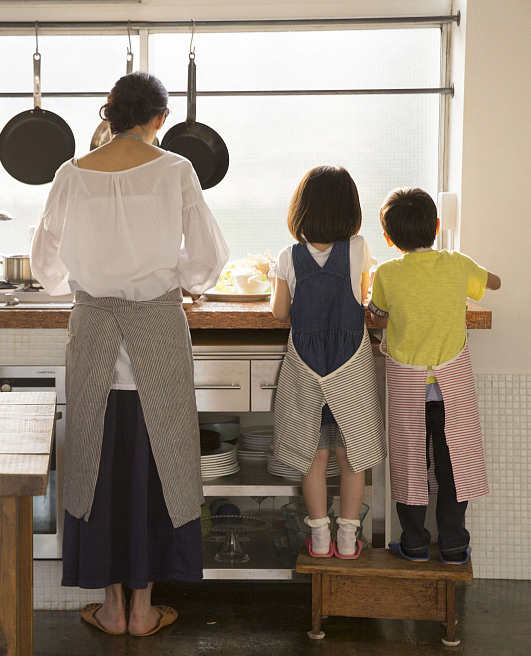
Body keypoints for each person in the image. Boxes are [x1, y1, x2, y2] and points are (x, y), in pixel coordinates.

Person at [30, 71, 229, 637]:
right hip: (158, 331)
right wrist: (181, 279)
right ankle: (145, 610)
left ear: (110, 116)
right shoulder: (176, 170)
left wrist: (84, 280)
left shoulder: (70, 174)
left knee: (97, 465)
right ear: (159, 118)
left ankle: (113, 609)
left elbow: (46, 267)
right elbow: (208, 260)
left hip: (92, 330)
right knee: (156, 463)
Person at [368, 187, 500, 564]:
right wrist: (471, 281)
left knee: (410, 461)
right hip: (452, 384)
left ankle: (414, 544)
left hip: (409, 385)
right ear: (438, 226)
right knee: (455, 461)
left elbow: (377, 315)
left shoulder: (387, 273)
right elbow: (494, 283)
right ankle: (455, 545)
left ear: (389, 238)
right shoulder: (457, 264)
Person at [269, 165, 386, 559]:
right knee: (352, 454)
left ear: (300, 210)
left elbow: (280, 314)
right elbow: (365, 300)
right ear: (349, 210)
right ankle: (349, 538)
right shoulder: (358, 250)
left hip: (306, 369)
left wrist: (275, 279)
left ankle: (319, 539)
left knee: (312, 455)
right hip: (349, 368)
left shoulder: (289, 256)